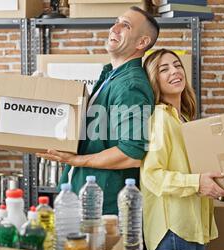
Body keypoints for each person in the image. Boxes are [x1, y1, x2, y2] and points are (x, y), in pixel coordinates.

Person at [36, 7, 160, 215]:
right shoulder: (111, 76)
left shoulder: (130, 86)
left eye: (126, 25)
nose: (115, 28)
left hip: (104, 205)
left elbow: (132, 154)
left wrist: (76, 160)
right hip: (84, 195)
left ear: (142, 43)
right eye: (117, 21)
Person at [141, 49, 224, 250]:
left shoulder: (184, 120)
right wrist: (198, 182)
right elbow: (151, 176)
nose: (174, 71)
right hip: (173, 230)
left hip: (193, 227)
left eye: (177, 65)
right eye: (164, 69)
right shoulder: (160, 118)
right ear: (154, 80)